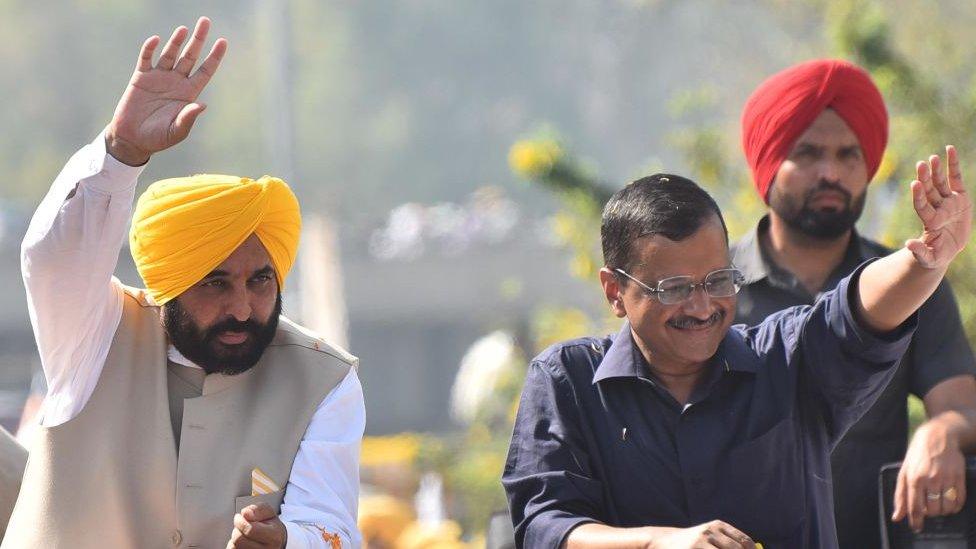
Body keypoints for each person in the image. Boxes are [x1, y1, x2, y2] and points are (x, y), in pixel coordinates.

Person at [3, 17, 364, 549]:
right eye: (214, 284)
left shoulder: (324, 379)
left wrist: (288, 540)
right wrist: (121, 151)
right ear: (169, 283)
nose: (243, 307)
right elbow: (55, 258)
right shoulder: (94, 337)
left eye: (260, 280)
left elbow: (330, 524)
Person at [502, 157, 971, 548]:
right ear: (615, 291)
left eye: (717, 280)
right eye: (674, 288)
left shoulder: (785, 361)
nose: (702, 306)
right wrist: (657, 543)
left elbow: (854, 314)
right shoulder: (567, 379)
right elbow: (546, 525)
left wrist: (923, 261)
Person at [734, 59, 976, 546]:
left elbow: (962, 406)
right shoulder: (709, 290)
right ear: (768, 161)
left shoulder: (915, 278)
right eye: (808, 153)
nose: (831, 173)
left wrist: (940, 434)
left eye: (848, 155)